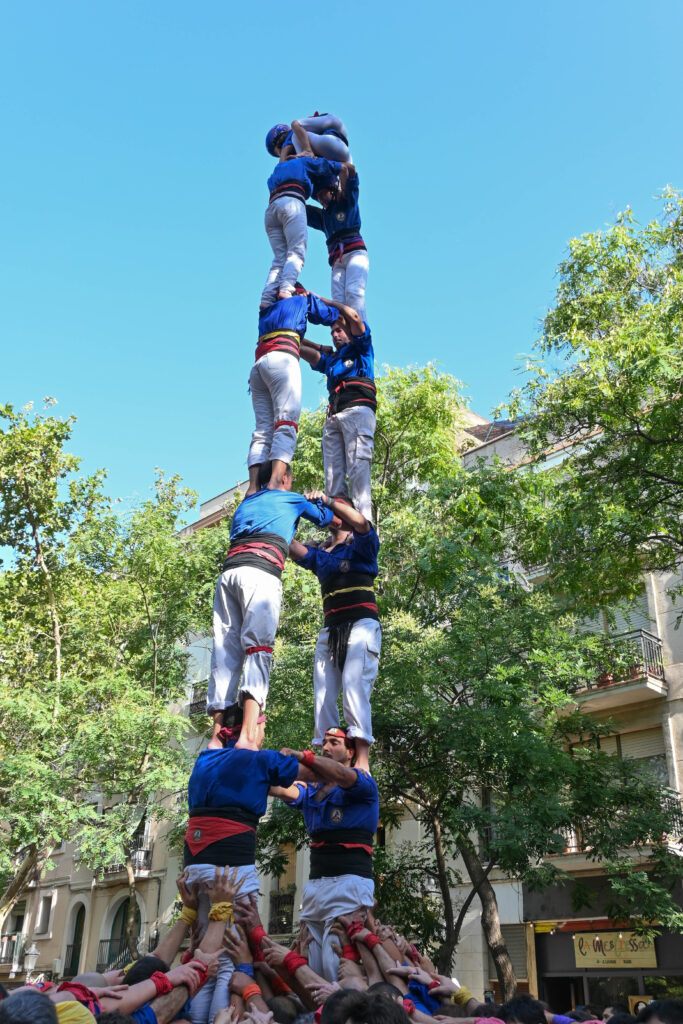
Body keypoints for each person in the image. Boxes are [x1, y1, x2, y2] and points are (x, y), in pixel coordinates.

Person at [184, 713, 336, 1024]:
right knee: (229, 962)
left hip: (195, 864)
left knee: (204, 950)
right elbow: (320, 775)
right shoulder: (257, 761)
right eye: (262, 726)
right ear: (253, 727)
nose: (265, 733)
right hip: (230, 866)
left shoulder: (204, 759)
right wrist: (317, 758)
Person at [207, 463, 336, 749]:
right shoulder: (291, 498)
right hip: (259, 574)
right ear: (285, 478)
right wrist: (319, 500)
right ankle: (247, 735)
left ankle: (216, 737)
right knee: (258, 648)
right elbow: (330, 521)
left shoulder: (248, 502)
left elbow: (281, 534)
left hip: (228, 573)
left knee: (224, 650)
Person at [270, 734, 379, 982]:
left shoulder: (362, 782)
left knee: (337, 964)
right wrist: (253, 767)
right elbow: (280, 789)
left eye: (334, 743)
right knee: (314, 967)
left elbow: (341, 775)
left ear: (350, 752)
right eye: (323, 743)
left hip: (349, 884)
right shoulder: (311, 791)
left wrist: (304, 757)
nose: (325, 747)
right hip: (315, 887)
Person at [289, 492, 380, 771]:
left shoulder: (362, 545)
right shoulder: (323, 555)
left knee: (354, 687)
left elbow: (362, 523)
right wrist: (289, 508)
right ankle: (327, 757)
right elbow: (289, 545)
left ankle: (361, 762)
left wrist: (329, 500)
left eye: (343, 507)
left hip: (361, 625)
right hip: (331, 630)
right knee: (323, 694)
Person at [248, 287, 341, 495]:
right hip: (282, 361)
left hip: (259, 365)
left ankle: (253, 487)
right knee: (286, 422)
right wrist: (314, 298)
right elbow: (328, 315)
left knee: (263, 429)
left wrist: (317, 345)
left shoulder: (267, 310)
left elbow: (291, 335)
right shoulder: (299, 300)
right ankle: (274, 483)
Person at [300, 304, 375, 521]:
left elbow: (352, 315)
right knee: (332, 479)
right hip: (335, 417)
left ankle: (363, 526)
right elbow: (307, 352)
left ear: (349, 331)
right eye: (332, 332)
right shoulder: (333, 360)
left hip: (357, 413)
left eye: (339, 330)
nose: (334, 335)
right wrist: (292, 338)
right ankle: (341, 530)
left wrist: (323, 302)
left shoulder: (362, 349)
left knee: (358, 471)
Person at [262, 156, 350, 307]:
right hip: (292, 202)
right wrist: (339, 166)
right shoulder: (303, 161)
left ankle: (266, 299)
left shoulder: (278, 169)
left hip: (271, 209)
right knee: (297, 251)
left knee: (279, 259)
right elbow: (326, 165)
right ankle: (286, 289)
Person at [307, 168, 368, 320]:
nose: (321, 199)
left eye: (323, 194)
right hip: (337, 261)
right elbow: (300, 207)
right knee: (338, 302)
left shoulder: (347, 202)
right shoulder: (323, 217)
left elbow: (349, 174)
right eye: (318, 197)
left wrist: (337, 165)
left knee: (354, 293)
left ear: (332, 190)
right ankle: (345, 335)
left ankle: (362, 331)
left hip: (355, 254)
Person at [266, 114, 351, 164]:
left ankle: (307, 151)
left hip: (333, 125)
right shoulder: (307, 135)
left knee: (295, 125)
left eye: (279, 152)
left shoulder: (293, 135)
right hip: (341, 147)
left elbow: (282, 161)